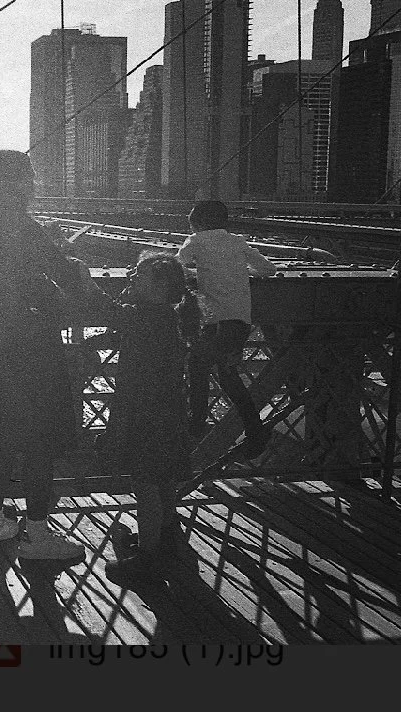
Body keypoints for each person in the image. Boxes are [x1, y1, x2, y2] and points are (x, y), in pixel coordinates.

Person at [0, 150, 105, 561]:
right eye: (27, 175)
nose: (33, 181)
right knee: (39, 441)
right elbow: (64, 275)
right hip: (35, 347)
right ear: (16, 182)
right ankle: (37, 534)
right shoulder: (24, 228)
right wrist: (76, 275)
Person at [94, 253, 199, 583]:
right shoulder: (166, 317)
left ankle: (147, 558)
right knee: (163, 478)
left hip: (146, 413)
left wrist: (83, 280)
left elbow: (109, 312)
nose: (132, 278)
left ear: (159, 286)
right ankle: (166, 538)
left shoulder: (144, 316)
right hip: (168, 411)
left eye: (139, 275)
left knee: (145, 484)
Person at [176, 200, 278, 460]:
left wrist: (196, 276)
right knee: (229, 377)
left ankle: (196, 425)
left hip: (215, 322)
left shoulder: (196, 241)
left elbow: (175, 268)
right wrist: (240, 273)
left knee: (197, 366)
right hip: (239, 322)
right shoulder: (237, 242)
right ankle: (255, 431)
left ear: (197, 223)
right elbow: (269, 269)